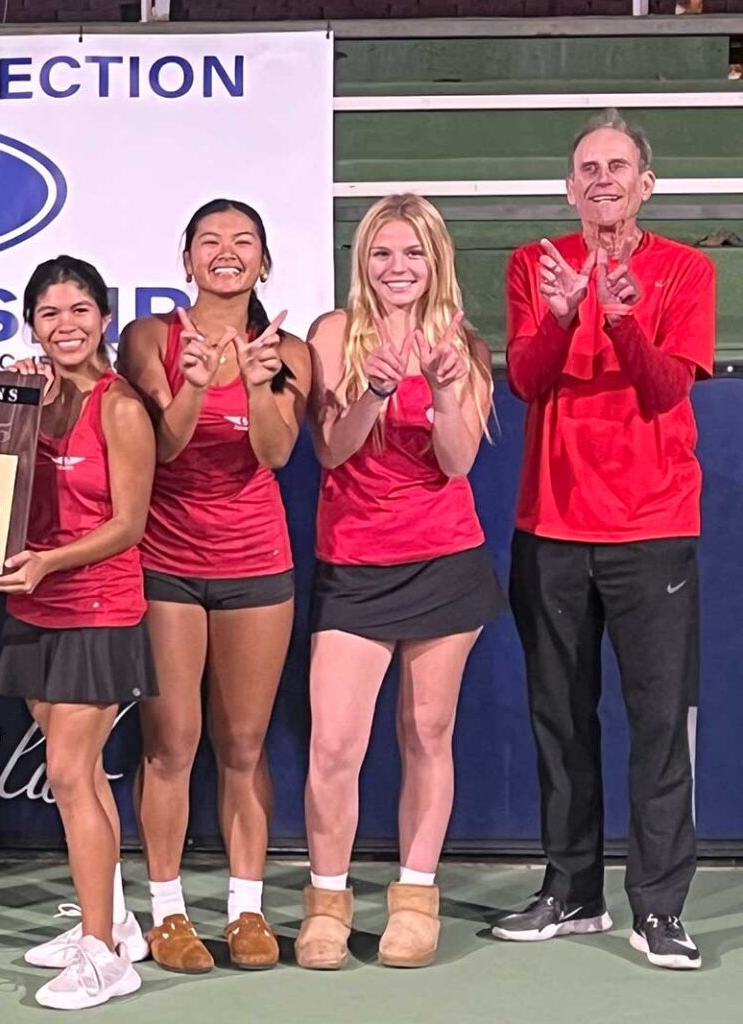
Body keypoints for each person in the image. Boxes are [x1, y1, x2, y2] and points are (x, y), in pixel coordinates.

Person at [493, 110, 713, 971]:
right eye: (586, 167)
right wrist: (562, 314)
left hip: (652, 530)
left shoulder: (686, 270)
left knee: (658, 725)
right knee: (560, 719)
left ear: (647, 183)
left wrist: (621, 319)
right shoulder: (532, 266)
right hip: (548, 529)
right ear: (569, 185)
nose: (601, 179)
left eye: (618, 165)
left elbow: (664, 393)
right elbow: (525, 379)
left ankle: (657, 909)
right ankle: (571, 891)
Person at [295, 194, 500, 971]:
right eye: (382, 254)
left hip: (445, 563)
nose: (397, 268)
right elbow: (332, 452)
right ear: (363, 263)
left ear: (435, 261)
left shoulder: (464, 345)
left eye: (412, 253)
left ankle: (415, 898)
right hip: (354, 566)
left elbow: (455, 462)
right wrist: (374, 391)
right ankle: (327, 901)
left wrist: (445, 390)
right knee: (335, 744)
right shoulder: (333, 336)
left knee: (426, 733)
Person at [117, 199, 308, 973]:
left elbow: (276, 453)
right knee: (171, 744)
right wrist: (194, 384)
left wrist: (260, 383)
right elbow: (157, 448)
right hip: (165, 562)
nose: (225, 253)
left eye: (243, 242)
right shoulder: (147, 338)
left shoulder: (289, 347)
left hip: (257, 565)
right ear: (186, 258)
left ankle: (247, 909)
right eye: (209, 241)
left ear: (263, 262)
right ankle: (166, 913)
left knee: (244, 744)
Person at [0, 256, 155, 1009]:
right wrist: (17, 409)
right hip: (32, 607)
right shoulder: (28, 397)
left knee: (67, 772)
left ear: (104, 318)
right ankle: (114, 922)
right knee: (81, 778)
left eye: (80, 310)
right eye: (51, 313)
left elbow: (128, 524)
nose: (66, 325)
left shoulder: (120, 406)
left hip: (97, 605)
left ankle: (103, 955)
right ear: (32, 323)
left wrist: (50, 561)